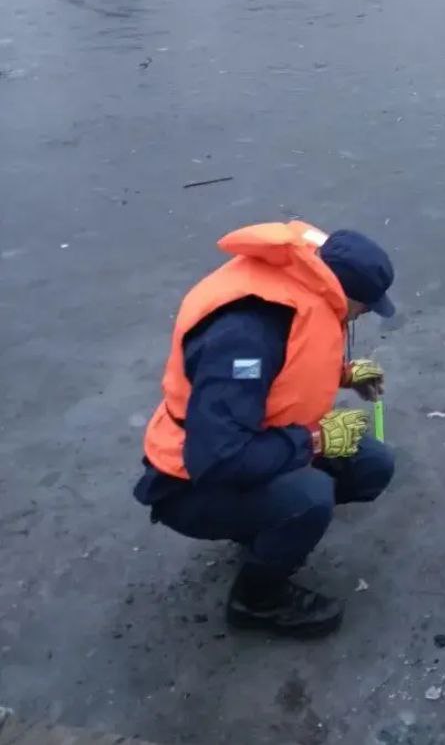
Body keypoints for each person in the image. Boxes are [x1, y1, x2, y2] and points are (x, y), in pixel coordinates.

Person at [134, 219, 396, 638]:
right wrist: (316, 440)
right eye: (363, 308)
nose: (362, 315)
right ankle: (256, 601)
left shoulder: (306, 285)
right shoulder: (246, 335)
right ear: (344, 294)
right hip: (190, 481)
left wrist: (343, 374)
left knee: (371, 465)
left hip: (252, 440)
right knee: (310, 498)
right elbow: (217, 457)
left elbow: (285, 369)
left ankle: (265, 527)